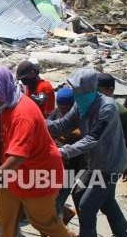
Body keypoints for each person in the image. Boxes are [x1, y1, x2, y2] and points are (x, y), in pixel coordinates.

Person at [0, 65, 74, 237]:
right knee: (5, 215)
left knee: (43, 223)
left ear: (3, 86)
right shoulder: (4, 104)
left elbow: (18, 157)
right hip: (13, 174)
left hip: (38, 175)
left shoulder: (22, 114)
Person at [48, 68, 127, 237]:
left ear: (88, 89)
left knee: (87, 205)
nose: (75, 95)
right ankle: (122, 232)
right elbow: (62, 125)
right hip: (94, 162)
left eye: (77, 91)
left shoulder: (107, 108)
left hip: (111, 165)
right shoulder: (81, 104)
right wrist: (39, 124)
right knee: (89, 197)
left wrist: (61, 152)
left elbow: (92, 139)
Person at [48, 88, 85, 226]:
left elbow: (81, 135)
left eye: (66, 108)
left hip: (73, 165)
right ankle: (65, 215)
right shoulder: (55, 113)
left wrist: (65, 134)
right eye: (61, 107)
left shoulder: (81, 115)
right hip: (55, 163)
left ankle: (57, 230)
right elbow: (48, 127)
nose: (63, 111)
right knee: (49, 197)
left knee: (58, 199)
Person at [98, 73, 127, 181]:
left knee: (98, 195)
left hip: (112, 163)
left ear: (110, 90)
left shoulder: (122, 113)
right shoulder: (92, 108)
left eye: (98, 90)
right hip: (94, 161)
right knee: (80, 194)